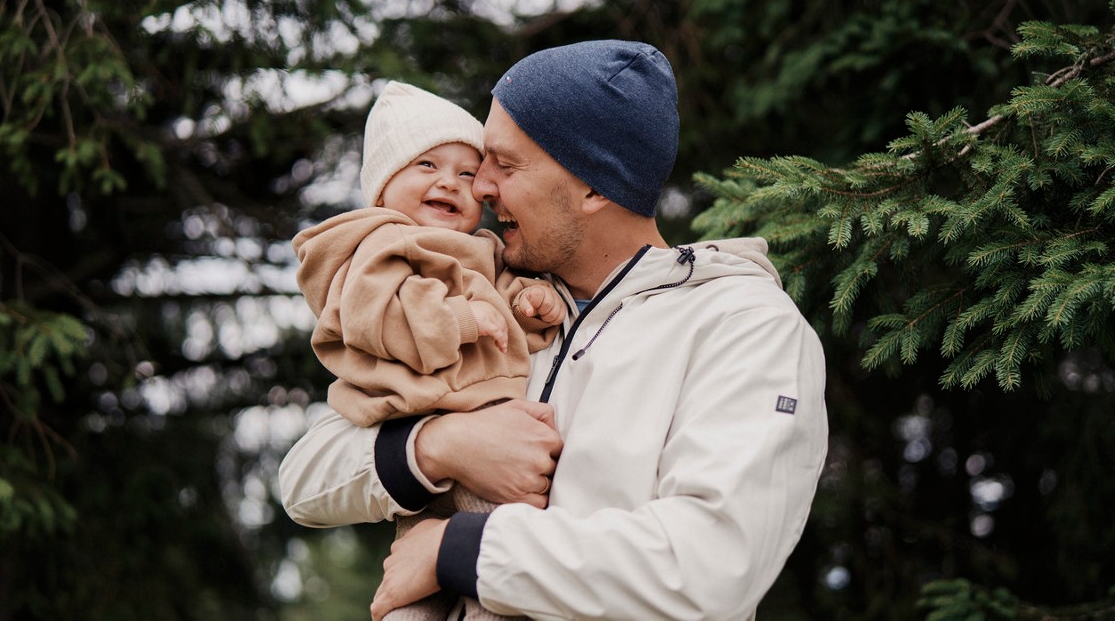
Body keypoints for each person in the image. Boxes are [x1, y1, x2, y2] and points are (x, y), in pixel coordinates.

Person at [278, 40, 829, 620]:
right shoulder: (498, 299)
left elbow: (711, 568)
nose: (479, 187)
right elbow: (305, 477)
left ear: (594, 186)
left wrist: (460, 550)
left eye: (504, 165)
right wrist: (441, 446)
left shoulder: (743, 327)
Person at [290, 80, 565, 621]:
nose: (451, 183)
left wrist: (533, 302)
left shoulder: (482, 252)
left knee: (487, 584)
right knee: (418, 598)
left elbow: (507, 323)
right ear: (384, 184)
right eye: (427, 166)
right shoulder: (376, 247)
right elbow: (382, 319)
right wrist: (463, 317)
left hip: (487, 457)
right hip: (428, 446)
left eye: (468, 173)